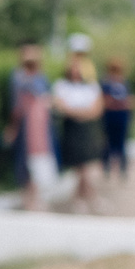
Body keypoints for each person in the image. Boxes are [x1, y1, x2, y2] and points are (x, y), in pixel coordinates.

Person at [51, 50, 107, 212]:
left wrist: (76, 112)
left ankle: (81, 197)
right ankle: (89, 196)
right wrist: (82, 113)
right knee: (79, 165)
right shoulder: (62, 85)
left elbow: (97, 109)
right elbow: (61, 107)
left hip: (87, 129)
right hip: (72, 129)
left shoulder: (91, 86)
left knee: (85, 165)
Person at [5, 42, 56, 211]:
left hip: (39, 127)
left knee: (37, 160)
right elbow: (16, 107)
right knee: (24, 161)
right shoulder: (18, 78)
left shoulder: (41, 78)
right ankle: (27, 197)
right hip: (25, 126)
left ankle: (35, 196)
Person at [100, 56, 135, 177]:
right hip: (110, 116)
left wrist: (120, 103)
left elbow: (130, 101)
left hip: (122, 116)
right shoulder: (106, 83)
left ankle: (122, 167)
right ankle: (107, 166)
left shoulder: (125, 83)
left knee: (121, 142)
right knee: (108, 142)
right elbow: (105, 101)